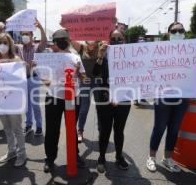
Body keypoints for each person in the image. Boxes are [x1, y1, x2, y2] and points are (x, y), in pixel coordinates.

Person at [146, 22, 196, 173]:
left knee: (174, 129)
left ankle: (167, 158)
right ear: (168, 33)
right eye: (174, 31)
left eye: (181, 30)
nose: (178, 33)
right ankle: (151, 157)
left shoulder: (191, 49)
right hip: (163, 96)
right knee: (159, 127)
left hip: (183, 96)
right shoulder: (158, 50)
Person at [39, 29, 86, 173]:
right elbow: (45, 79)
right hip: (53, 97)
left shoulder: (75, 56)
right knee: (52, 129)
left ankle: (74, 155)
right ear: (55, 43)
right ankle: (50, 158)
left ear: (68, 41)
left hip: (73, 97)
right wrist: (42, 75)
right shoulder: (49, 58)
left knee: (71, 127)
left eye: (64, 40)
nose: (62, 42)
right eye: (58, 40)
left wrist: (79, 74)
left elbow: (85, 78)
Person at [93, 29, 131, 173]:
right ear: (109, 40)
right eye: (113, 39)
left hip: (123, 98)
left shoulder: (131, 56)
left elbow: (136, 77)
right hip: (105, 97)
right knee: (105, 129)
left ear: (124, 40)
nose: (116, 41)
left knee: (119, 130)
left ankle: (119, 156)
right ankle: (102, 157)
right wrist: (100, 56)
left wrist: (120, 95)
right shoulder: (104, 54)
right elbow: (95, 73)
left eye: (119, 38)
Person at [0, 33, 27, 167]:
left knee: (17, 128)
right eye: (0, 42)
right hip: (0, 101)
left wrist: (23, 66)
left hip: (14, 101)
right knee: (7, 128)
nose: (2, 45)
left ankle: (22, 153)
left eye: (5, 42)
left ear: (10, 45)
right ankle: (11, 151)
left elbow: (22, 78)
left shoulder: (16, 59)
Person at [16, 19, 47, 136]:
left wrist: (41, 28)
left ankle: (39, 126)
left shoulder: (36, 48)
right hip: (23, 79)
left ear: (32, 35)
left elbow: (44, 42)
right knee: (27, 104)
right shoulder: (18, 48)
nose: (25, 36)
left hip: (34, 78)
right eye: (23, 34)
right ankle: (28, 125)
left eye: (27, 34)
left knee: (35, 104)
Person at [71, 40, 100, 143]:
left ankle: (101, 130)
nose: (92, 41)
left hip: (98, 81)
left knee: (100, 108)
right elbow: (71, 40)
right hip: (85, 81)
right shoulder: (81, 48)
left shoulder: (101, 47)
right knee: (84, 108)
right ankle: (80, 130)